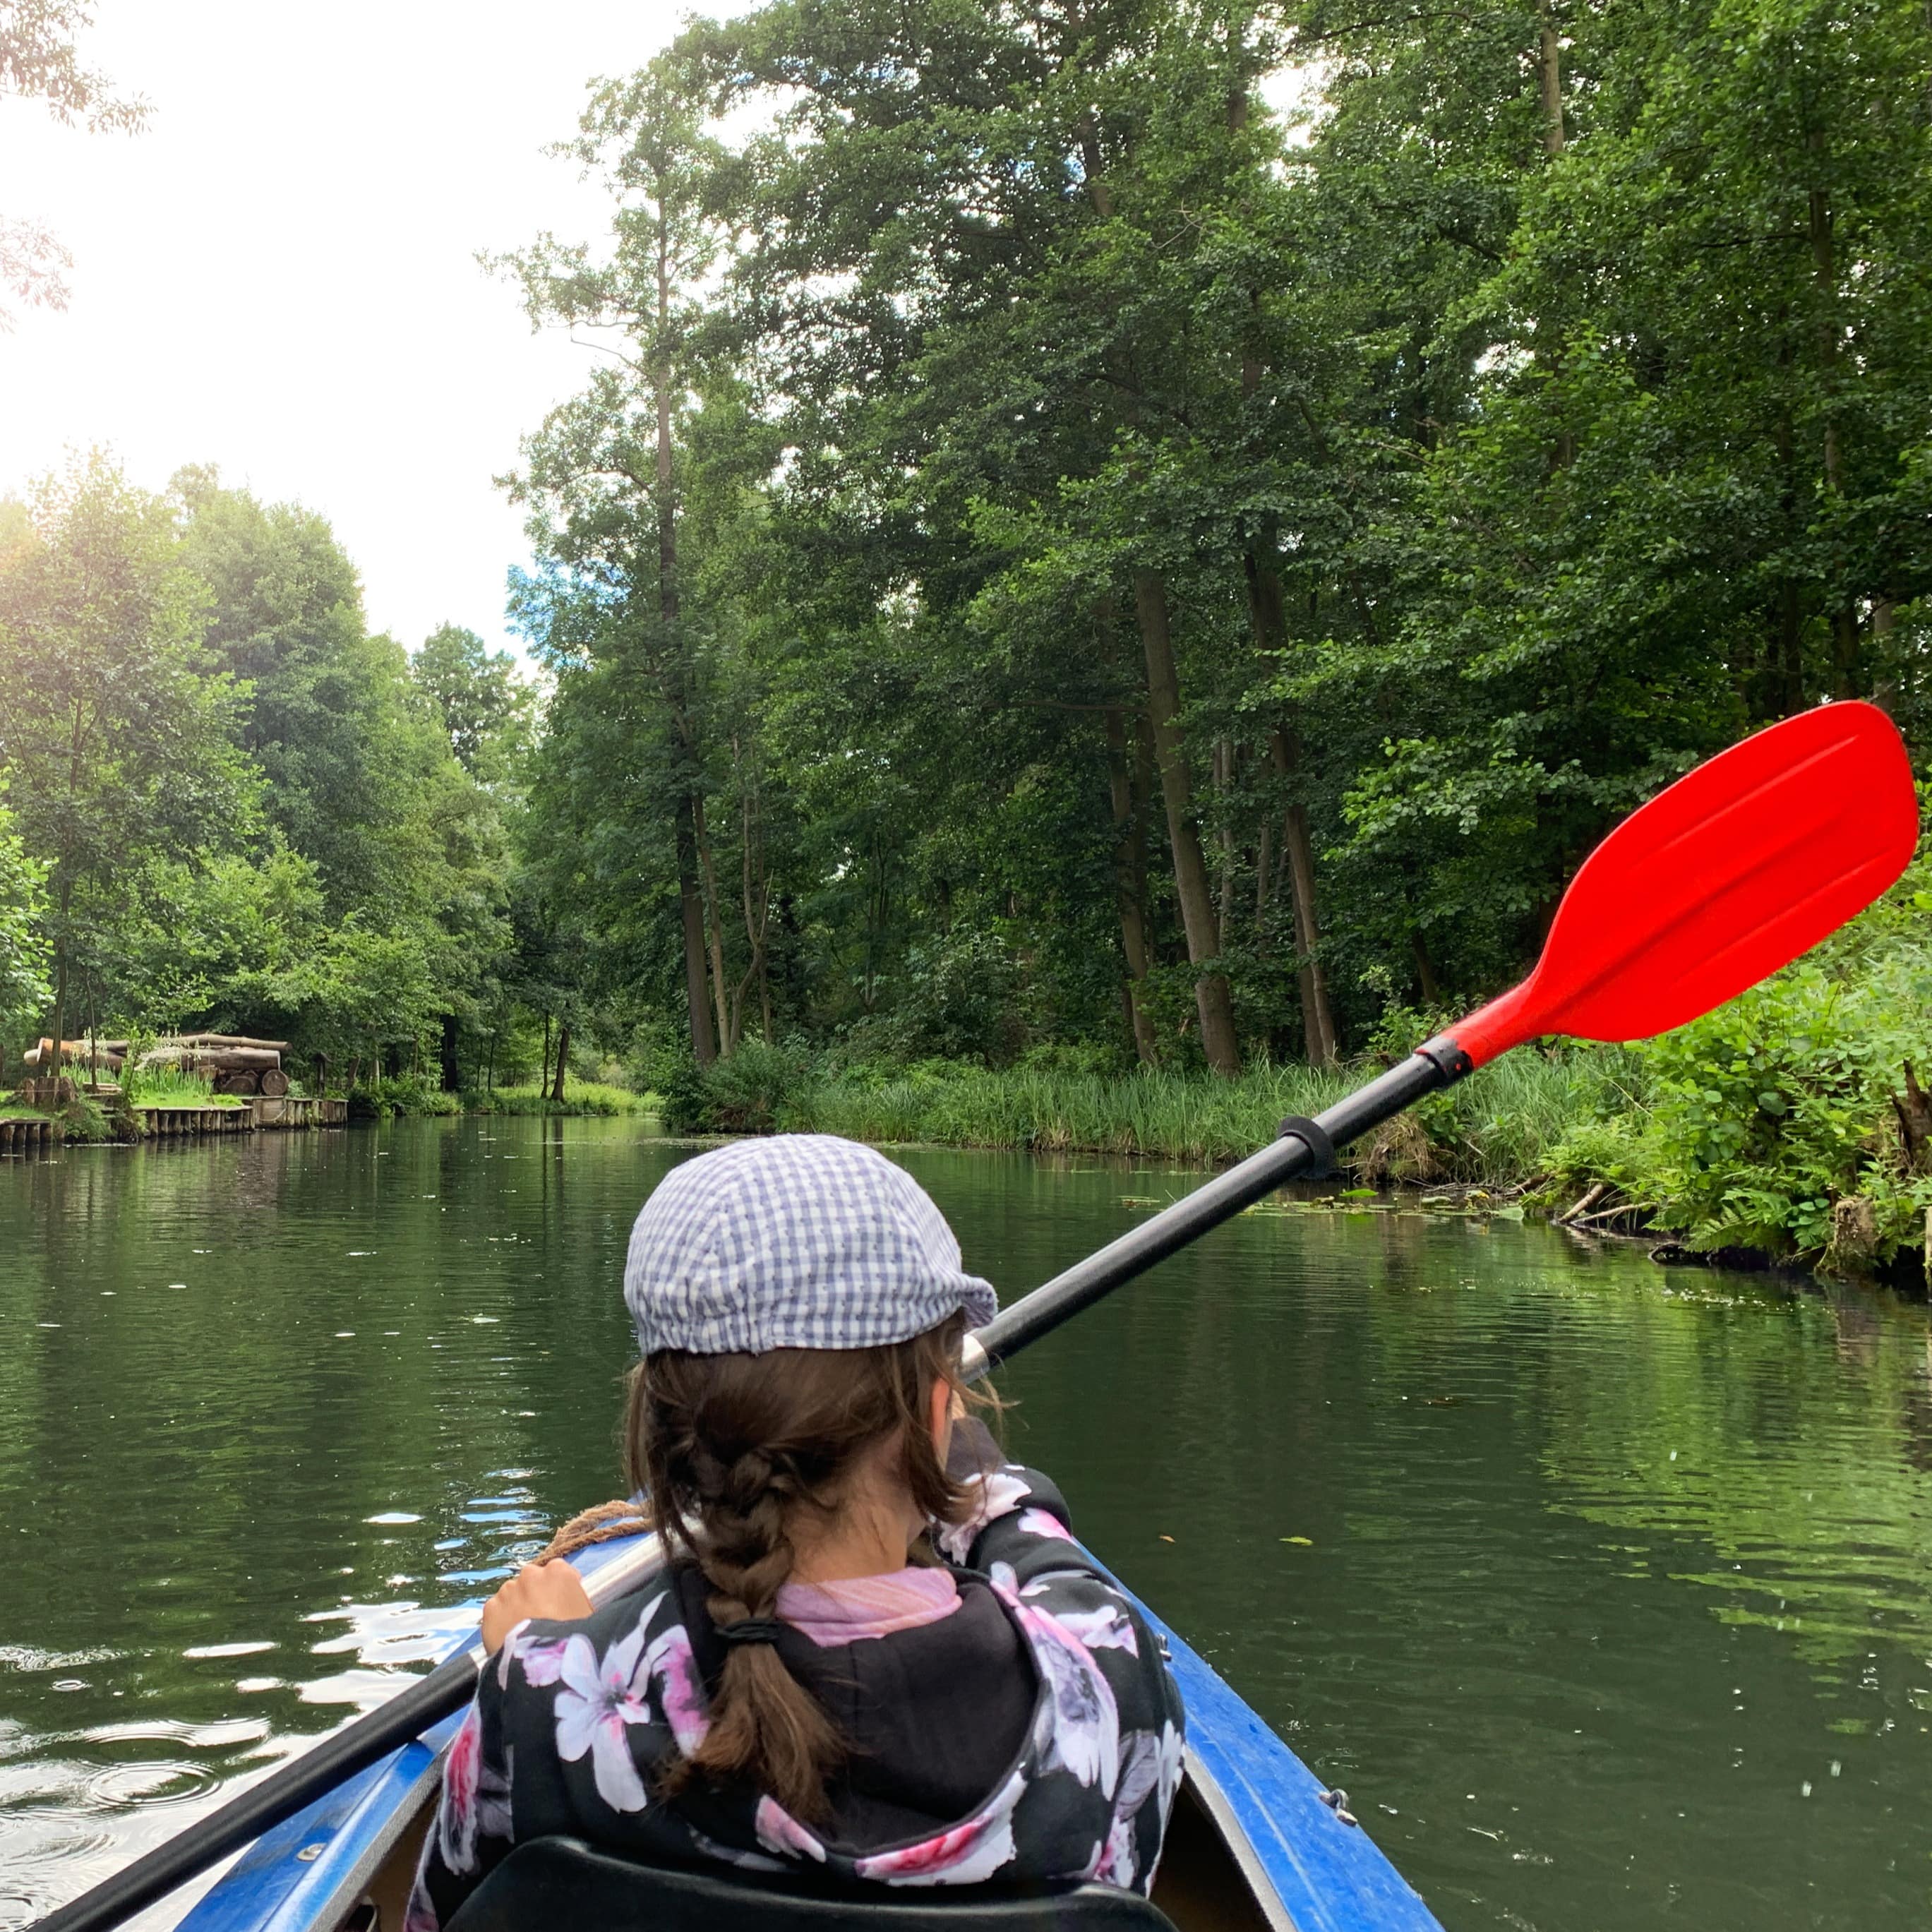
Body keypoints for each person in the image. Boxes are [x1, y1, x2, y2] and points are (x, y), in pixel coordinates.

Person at [407, 1134, 1185, 1928]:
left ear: (667, 1429)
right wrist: (969, 1480)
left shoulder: (543, 1701)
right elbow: (1059, 1578)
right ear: (932, 1413)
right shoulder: (1108, 1684)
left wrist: (545, 1653)